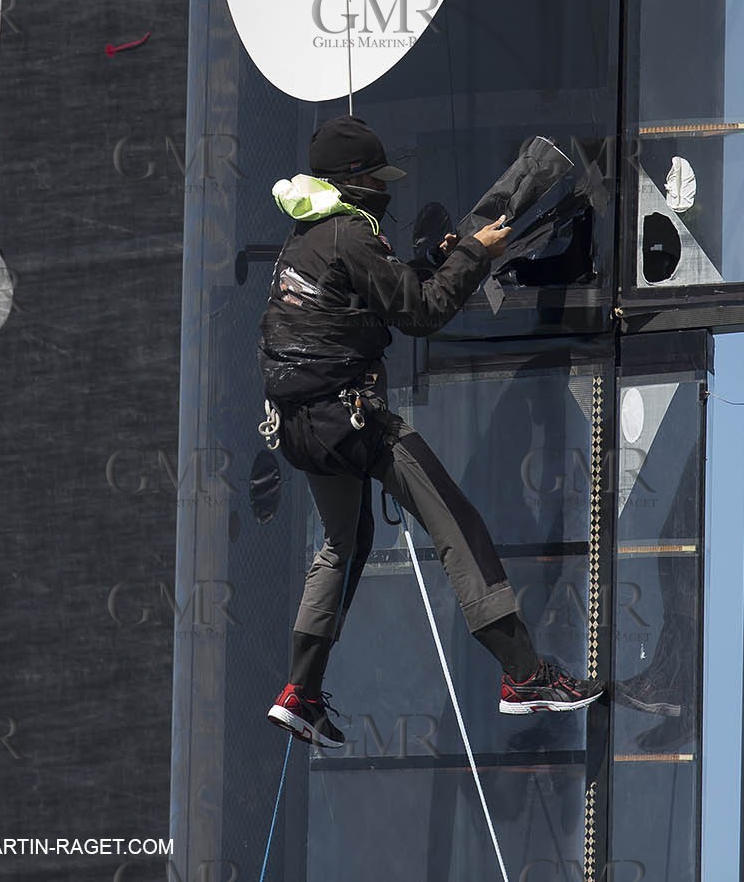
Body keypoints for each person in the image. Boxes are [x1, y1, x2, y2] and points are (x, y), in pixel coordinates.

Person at [258, 114, 605, 748]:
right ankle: (525, 676)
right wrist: (475, 253)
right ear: (355, 181)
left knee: (344, 543)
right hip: (353, 419)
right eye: (376, 179)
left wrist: (436, 258)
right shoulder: (349, 234)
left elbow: (380, 292)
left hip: (301, 430)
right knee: (459, 526)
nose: (384, 192)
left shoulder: (304, 237)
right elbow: (423, 312)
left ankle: (300, 692)